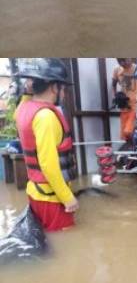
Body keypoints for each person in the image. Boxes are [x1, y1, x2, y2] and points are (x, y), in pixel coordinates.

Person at [14, 59, 79, 231]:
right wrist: (67, 198)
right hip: (52, 197)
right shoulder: (46, 117)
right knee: (66, 239)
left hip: (36, 192)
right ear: (53, 87)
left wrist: (28, 90)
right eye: (62, 88)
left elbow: (24, 102)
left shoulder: (23, 108)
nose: (64, 93)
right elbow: (48, 165)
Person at [112, 58, 137, 142]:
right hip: (124, 105)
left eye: (124, 60)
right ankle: (130, 148)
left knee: (129, 130)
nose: (122, 63)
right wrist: (116, 96)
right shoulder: (117, 70)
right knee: (124, 134)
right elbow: (113, 84)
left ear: (129, 58)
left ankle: (135, 146)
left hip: (136, 104)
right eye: (119, 61)